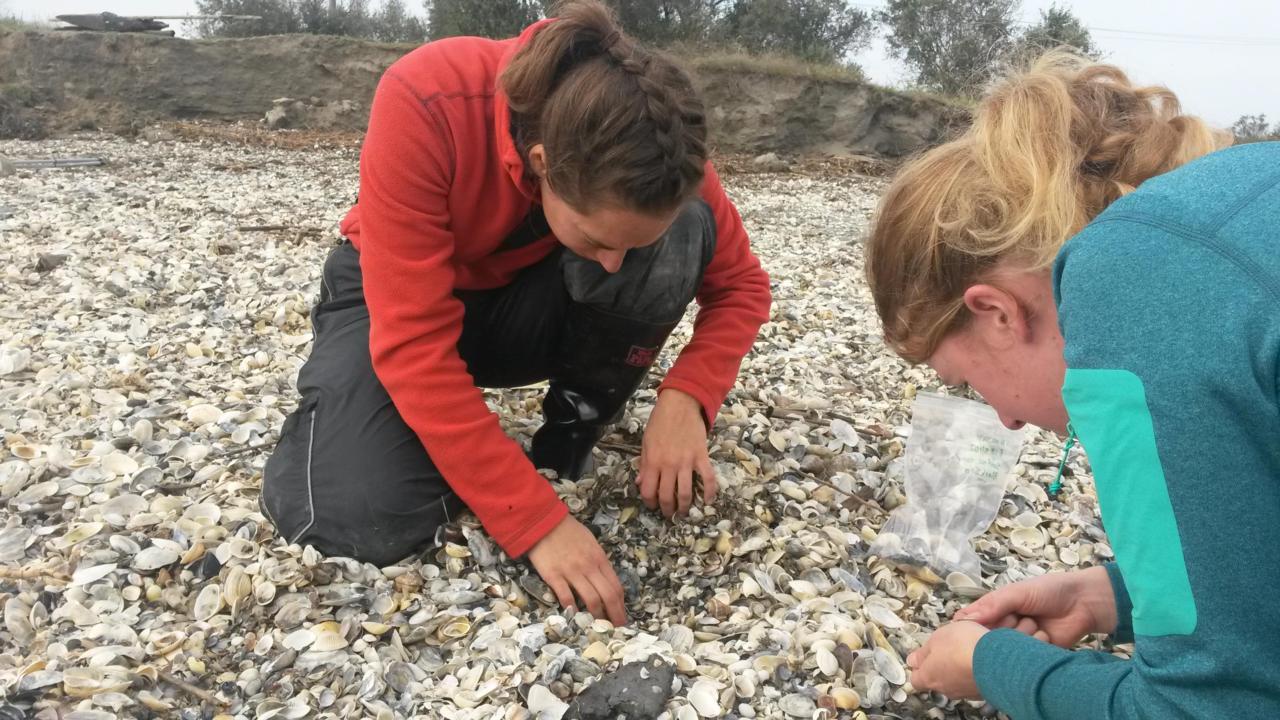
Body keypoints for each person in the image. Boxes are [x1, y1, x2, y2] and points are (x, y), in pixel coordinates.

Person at [259, 1, 771, 627]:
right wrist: (535, 521)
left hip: (520, 302)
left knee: (687, 226)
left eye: (628, 247)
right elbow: (415, 346)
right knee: (359, 517)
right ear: (541, 165)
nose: (617, 266)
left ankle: (570, 434)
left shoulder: (652, 138)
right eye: (597, 239)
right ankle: (346, 417)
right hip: (389, 300)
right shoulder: (428, 96)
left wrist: (687, 399)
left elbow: (742, 286)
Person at [865, 51, 1279, 718]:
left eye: (968, 382)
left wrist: (996, 666)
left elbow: (1205, 709)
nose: (1003, 420)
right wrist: (1113, 597)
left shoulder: (1135, 304)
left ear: (995, 312)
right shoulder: (1238, 191)